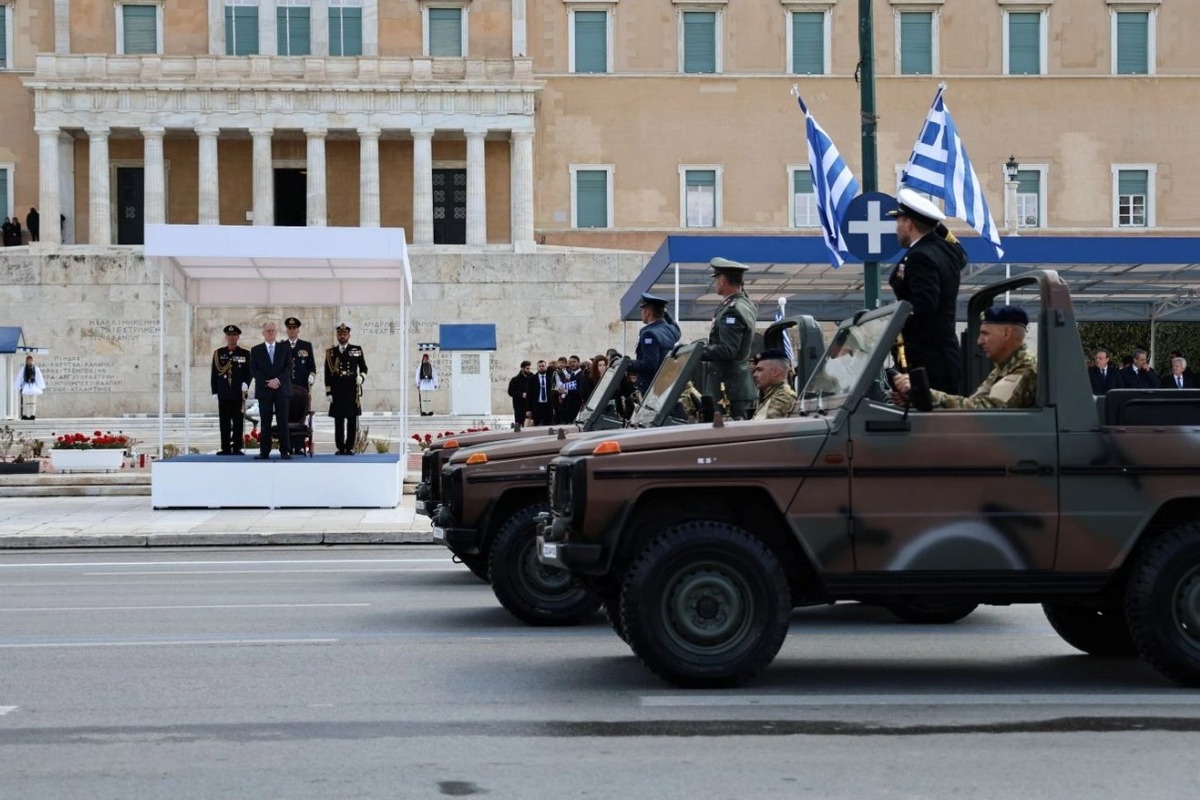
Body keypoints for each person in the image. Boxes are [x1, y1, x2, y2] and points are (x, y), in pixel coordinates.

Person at [886, 187, 968, 394]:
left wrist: (890, 322)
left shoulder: (920, 256)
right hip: (943, 355)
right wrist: (935, 225)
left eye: (899, 222)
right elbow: (961, 252)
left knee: (930, 423)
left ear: (909, 223)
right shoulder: (947, 251)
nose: (896, 229)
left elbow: (924, 305)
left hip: (927, 359)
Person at [891, 305, 1037, 410]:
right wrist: (916, 400)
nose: (979, 341)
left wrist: (928, 394)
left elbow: (985, 411)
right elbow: (972, 404)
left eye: (985, 334)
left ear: (1006, 333)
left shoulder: (1025, 368)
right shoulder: (1004, 367)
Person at [699, 257, 758, 419]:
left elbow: (727, 350)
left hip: (728, 390)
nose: (716, 283)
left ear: (723, 280)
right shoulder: (744, 304)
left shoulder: (732, 310)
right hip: (735, 387)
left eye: (717, 279)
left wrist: (696, 352)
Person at [250, 320, 294, 459]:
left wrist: (278, 380)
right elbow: (254, 370)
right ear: (263, 333)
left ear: (276, 332)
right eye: (268, 331)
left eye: (273, 330)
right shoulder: (256, 350)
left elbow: (289, 367)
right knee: (265, 421)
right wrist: (267, 382)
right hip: (265, 389)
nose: (270, 333)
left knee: (283, 420)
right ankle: (264, 451)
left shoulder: (284, 348)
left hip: (282, 389)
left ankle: (285, 451)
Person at [625, 293, 682, 394]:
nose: (641, 313)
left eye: (642, 310)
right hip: (665, 385)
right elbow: (676, 328)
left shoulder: (649, 333)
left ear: (648, 312)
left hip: (650, 388)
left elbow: (650, 365)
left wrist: (625, 363)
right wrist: (664, 313)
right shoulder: (671, 330)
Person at [325, 323, 368, 455]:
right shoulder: (331, 353)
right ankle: (340, 447)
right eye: (340, 334)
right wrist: (328, 392)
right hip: (337, 390)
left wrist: (361, 377)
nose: (342, 336)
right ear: (337, 335)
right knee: (338, 420)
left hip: (351, 389)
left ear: (349, 335)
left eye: (344, 334)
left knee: (351, 419)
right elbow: (327, 373)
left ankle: (349, 447)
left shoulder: (356, 349)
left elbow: (364, 368)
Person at [210, 324, 251, 455]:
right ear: (226, 337)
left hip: (238, 394)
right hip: (223, 393)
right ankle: (225, 447)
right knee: (224, 423)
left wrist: (247, 383)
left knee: (238, 422)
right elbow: (214, 374)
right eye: (229, 335)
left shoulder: (245, 354)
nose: (231, 338)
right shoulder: (218, 353)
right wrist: (214, 391)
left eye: (234, 335)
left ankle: (237, 447)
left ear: (238, 337)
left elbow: (249, 372)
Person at [282, 316, 317, 454]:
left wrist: (311, 377)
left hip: (302, 389)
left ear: (298, 330)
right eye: (289, 328)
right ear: (287, 330)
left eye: (294, 328)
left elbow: (312, 367)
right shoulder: (282, 346)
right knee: (286, 417)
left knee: (301, 418)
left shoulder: (306, 346)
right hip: (286, 388)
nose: (292, 330)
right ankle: (287, 446)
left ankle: (299, 446)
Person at [752, 349, 798, 420]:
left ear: (776, 372)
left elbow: (761, 428)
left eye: (760, 370)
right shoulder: (772, 395)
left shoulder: (783, 398)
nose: (755, 375)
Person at [14, 354, 46, 420]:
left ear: (32, 361)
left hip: (33, 386)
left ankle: (32, 414)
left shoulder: (36, 369)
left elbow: (38, 378)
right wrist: (19, 386)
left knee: (33, 402)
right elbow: (20, 378)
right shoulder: (23, 369)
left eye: (30, 360)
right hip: (26, 386)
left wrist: (40, 386)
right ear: (26, 361)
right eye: (28, 360)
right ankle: (25, 414)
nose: (29, 362)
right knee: (26, 402)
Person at [507, 361, 535, 429]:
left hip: (530, 405)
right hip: (519, 405)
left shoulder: (533, 378)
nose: (528, 370)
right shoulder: (515, 380)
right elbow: (510, 392)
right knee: (519, 423)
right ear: (522, 368)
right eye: (527, 368)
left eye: (529, 368)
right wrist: (521, 394)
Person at [530, 360, 554, 426]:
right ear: (537, 368)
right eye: (539, 366)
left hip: (548, 405)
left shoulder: (551, 377)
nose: (541, 367)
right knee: (537, 425)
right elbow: (529, 395)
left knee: (548, 425)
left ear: (546, 367)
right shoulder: (532, 379)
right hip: (537, 405)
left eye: (543, 366)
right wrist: (528, 409)